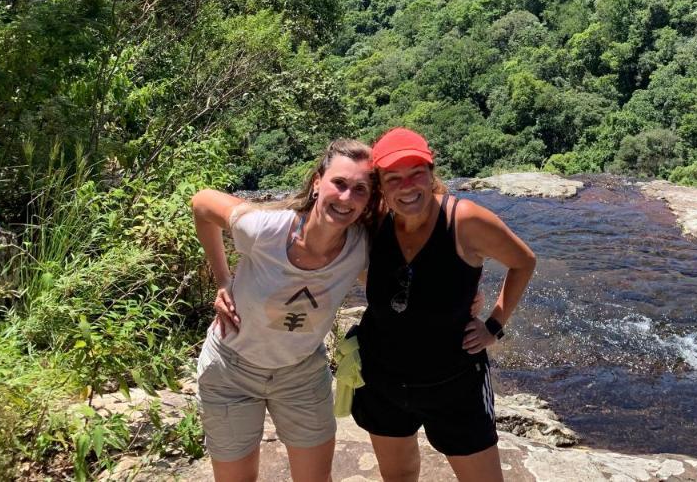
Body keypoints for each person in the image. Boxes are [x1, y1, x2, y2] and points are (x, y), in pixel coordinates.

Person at [351, 127, 536, 482]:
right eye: (394, 178)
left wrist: (494, 325)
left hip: (454, 384)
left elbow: (523, 262)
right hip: (383, 381)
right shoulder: (373, 222)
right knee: (399, 476)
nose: (407, 186)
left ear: (431, 173)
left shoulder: (464, 221)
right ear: (380, 185)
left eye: (416, 173)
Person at [191, 138, 376, 482]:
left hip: (301, 373)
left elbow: (407, 276)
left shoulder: (360, 250)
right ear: (318, 181)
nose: (346, 197)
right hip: (231, 370)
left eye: (360, 190)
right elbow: (202, 203)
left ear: (368, 202)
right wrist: (222, 278)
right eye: (339, 183)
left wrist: (467, 299)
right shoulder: (264, 229)